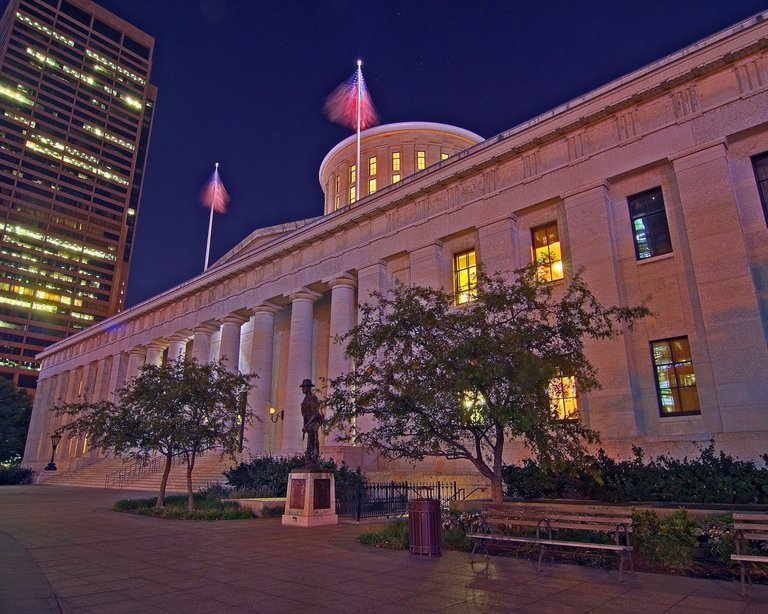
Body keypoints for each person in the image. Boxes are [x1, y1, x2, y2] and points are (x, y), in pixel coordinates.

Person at [300, 379, 322, 460]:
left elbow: (315, 414)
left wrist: (306, 425)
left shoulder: (313, 398)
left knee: (311, 429)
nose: (302, 389)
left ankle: (313, 451)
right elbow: (305, 415)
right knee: (309, 431)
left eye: (304, 387)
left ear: (308, 388)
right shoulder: (305, 400)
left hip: (316, 419)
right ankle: (310, 451)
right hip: (309, 420)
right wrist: (304, 426)